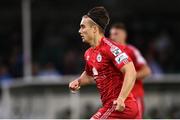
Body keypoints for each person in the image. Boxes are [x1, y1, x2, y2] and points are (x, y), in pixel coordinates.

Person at [69, 6, 139, 119]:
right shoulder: (88, 53)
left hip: (121, 106)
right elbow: (89, 74)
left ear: (94, 29)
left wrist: (121, 98)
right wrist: (78, 81)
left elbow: (131, 71)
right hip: (112, 106)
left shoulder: (110, 48)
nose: (79, 31)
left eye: (83, 27)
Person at [110, 23, 151, 118]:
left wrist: (129, 76)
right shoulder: (109, 53)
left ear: (124, 35)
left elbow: (146, 71)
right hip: (116, 98)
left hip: (134, 96)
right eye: (111, 34)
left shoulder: (132, 51)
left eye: (116, 33)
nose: (112, 37)